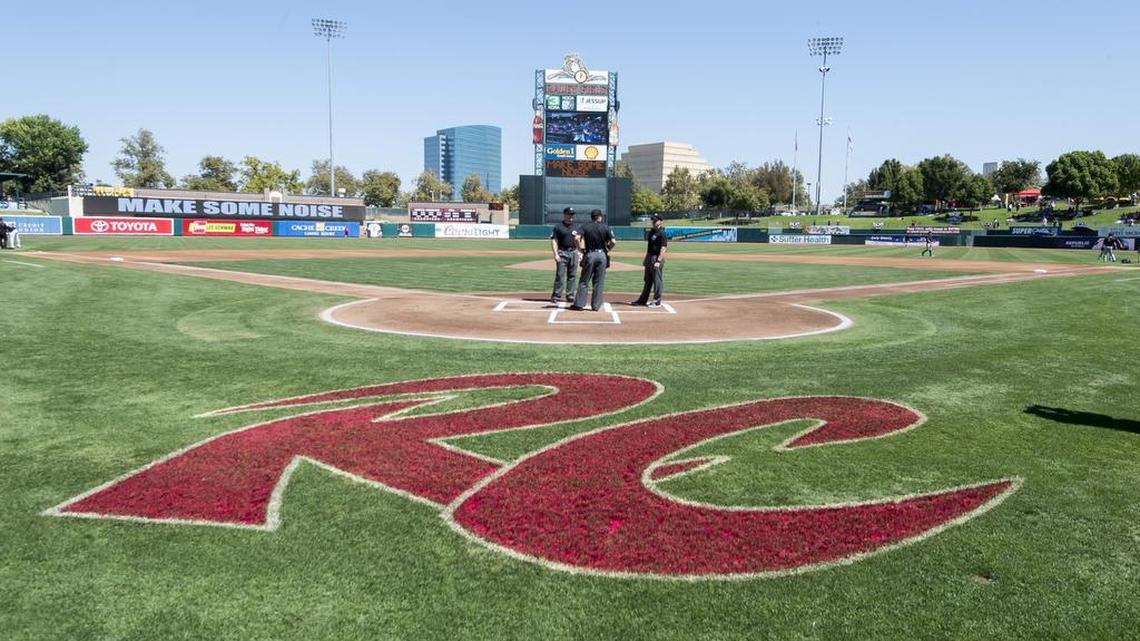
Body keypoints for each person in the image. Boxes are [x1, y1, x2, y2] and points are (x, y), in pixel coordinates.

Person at [571, 209, 616, 311]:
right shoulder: (605, 226)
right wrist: (608, 249)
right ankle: (596, 306)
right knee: (599, 282)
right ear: (600, 217)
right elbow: (613, 241)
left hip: (590, 254)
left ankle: (579, 304)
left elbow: (577, 238)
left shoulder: (585, 226)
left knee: (584, 281)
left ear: (592, 217)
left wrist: (580, 250)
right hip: (602, 255)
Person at [630, 214, 668, 307]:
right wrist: (646, 258)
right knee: (647, 280)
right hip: (650, 257)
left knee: (657, 280)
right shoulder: (651, 232)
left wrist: (658, 261)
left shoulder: (661, 233)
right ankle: (642, 300)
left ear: (660, 221)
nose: (653, 222)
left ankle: (657, 300)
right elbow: (649, 247)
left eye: (655, 220)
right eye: (653, 220)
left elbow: (663, 247)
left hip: (656, 258)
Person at [549, 207, 582, 304]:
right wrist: (555, 254)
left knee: (572, 275)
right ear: (564, 215)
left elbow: (580, 240)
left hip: (574, 252)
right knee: (560, 275)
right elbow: (554, 240)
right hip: (562, 252)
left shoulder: (577, 226)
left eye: (572, 214)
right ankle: (556, 295)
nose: (571, 216)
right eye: (569, 214)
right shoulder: (558, 227)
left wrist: (580, 252)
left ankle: (570, 295)